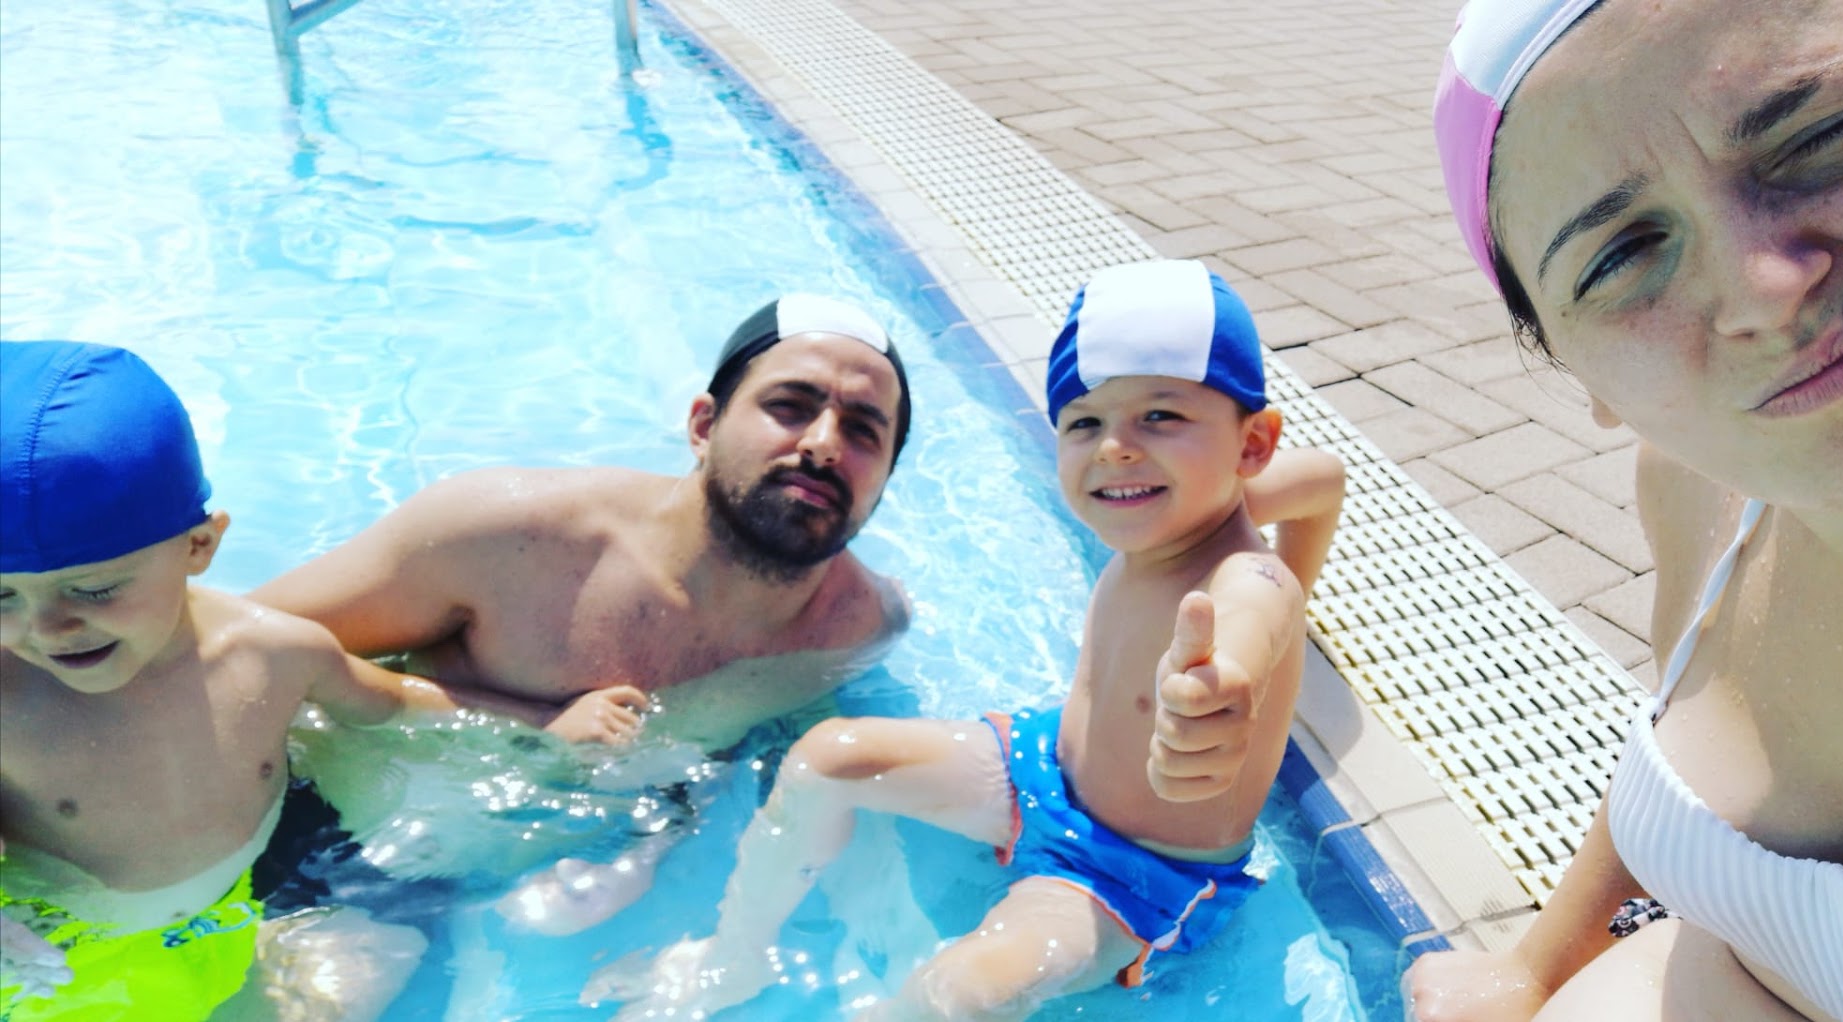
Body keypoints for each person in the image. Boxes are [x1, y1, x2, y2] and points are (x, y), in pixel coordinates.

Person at [579, 259, 1348, 1020]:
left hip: (1130, 875)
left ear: (1253, 444)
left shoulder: (1247, 582)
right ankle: (732, 959)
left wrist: (1223, 693)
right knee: (828, 756)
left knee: (965, 994)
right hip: (1041, 765)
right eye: (1084, 423)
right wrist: (1307, 581)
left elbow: (1248, 626)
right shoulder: (1199, 500)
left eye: (1160, 416)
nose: (1114, 448)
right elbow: (1326, 479)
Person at [1407, 2, 1843, 1020]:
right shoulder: (1705, 490)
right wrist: (1533, 967)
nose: (1763, 290)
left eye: (1833, 132)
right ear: (1583, 378)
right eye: (1620, 257)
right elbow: (1675, 744)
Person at [0, 342, 541, 1020]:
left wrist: (545, 723)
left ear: (199, 545)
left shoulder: (275, 652)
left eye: (94, 589)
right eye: (2, 597)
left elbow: (391, 704)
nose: (48, 627)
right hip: (57, 955)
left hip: (230, 916)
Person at [250, 293, 913, 753]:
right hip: (330, 855)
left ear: (884, 477)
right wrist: (527, 721)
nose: (823, 445)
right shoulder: (508, 538)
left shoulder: (861, 629)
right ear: (703, 427)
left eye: (863, 430)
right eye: (790, 406)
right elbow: (235, 642)